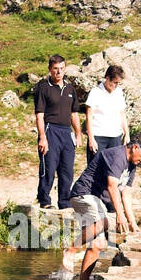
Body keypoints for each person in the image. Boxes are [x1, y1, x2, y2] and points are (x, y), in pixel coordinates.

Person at [66, 139, 141, 280]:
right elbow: (112, 186)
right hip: (84, 194)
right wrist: (120, 216)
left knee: (98, 244)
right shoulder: (117, 156)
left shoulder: (132, 166)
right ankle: (71, 250)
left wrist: (133, 223)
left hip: (98, 201)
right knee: (104, 223)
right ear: (135, 147)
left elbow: (125, 194)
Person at [34, 55, 81, 208]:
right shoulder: (43, 88)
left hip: (66, 132)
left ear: (65, 69)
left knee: (67, 169)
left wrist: (78, 134)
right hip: (50, 130)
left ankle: (64, 202)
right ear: (50, 70)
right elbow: (39, 115)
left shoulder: (70, 88)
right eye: (55, 69)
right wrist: (42, 137)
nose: (58, 72)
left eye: (61, 68)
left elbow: (74, 114)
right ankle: (44, 200)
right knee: (49, 167)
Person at [83, 64, 128, 162]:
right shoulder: (95, 92)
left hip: (115, 136)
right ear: (107, 78)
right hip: (98, 136)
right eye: (115, 82)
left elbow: (122, 113)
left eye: (119, 83)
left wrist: (126, 132)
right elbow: (89, 116)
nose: (116, 86)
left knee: (113, 169)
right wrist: (91, 138)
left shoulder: (119, 92)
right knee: (95, 169)